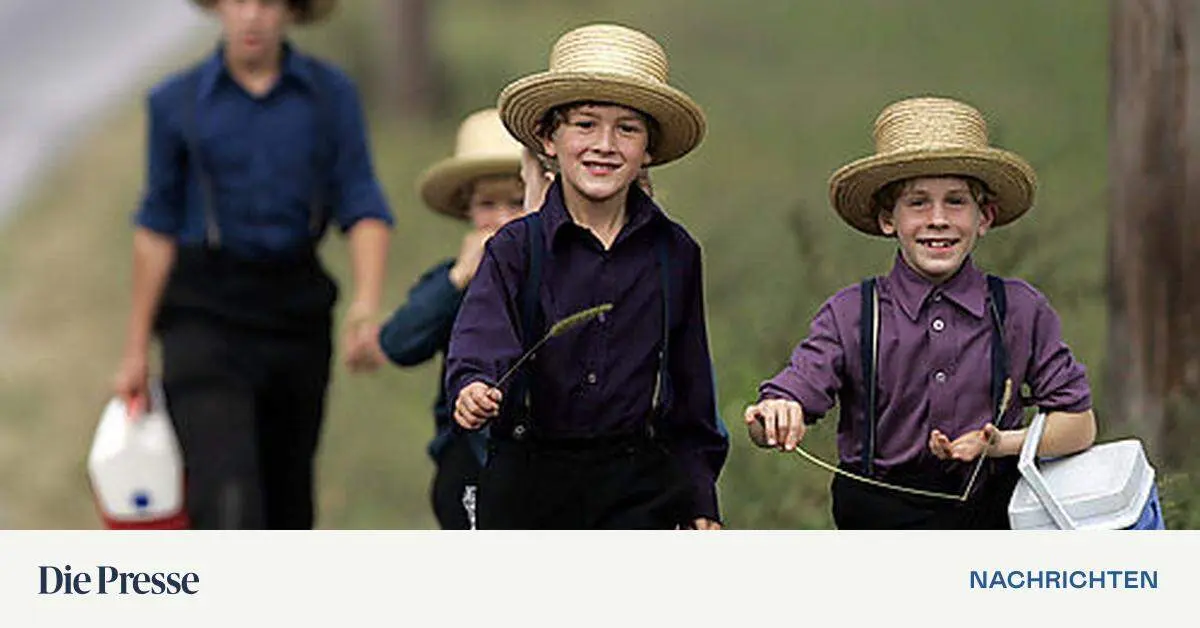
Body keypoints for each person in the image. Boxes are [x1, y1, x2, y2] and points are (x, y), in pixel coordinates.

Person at [745, 96, 1097, 529]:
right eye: (917, 203)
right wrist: (776, 415)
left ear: (984, 217)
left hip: (989, 525)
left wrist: (1000, 444)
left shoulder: (1021, 310)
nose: (938, 219)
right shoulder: (851, 313)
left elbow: (1079, 425)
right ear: (887, 219)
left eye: (955, 202)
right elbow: (784, 402)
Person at [111, 0, 393, 529]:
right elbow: (156, 227)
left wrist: (365, 305)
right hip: (204, 312)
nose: (252, 16)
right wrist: (134, 350)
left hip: (295, 311)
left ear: (291, 11)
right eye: (239, 0)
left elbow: (362, 203)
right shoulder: (176, 102)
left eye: (268, 2)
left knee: (286, 497)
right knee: (227, 496)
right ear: (218, 8)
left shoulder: (331, 97)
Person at [445, 23, 729, 530]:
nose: (604, 144)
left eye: (627, 128)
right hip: (530, 480)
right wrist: (474, 386)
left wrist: (700, 499)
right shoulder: (514, 248)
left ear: (649, 148)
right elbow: (482, 336)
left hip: (638, 487)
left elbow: (690, 390)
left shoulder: (676, 253)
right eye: (584, 124)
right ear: (549, 139)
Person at [375, 109, 548, 530]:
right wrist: (458, 280)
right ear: (467, 211)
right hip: (470, 457)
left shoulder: (560, 274)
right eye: (488, 205)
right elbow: (398, 343)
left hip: (548, 458)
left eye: (516, 202)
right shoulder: (452, 279)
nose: (503, 219)